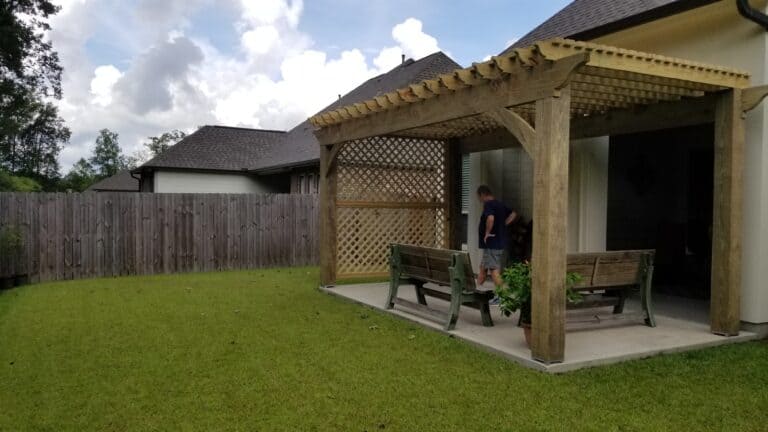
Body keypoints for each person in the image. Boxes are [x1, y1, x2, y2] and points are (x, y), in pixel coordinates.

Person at [476, 185, 517, 287]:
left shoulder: (488, 204)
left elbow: (490, 218)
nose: (479, 200)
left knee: (493, 270)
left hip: (492, 243)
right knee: (483, 268)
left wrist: (487, 232)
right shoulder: (500, 204)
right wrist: (504, 224)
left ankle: (502, 293)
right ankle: (476, 288)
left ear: (483, 194)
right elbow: (513, 214)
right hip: (496, 243)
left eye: (479, 197)